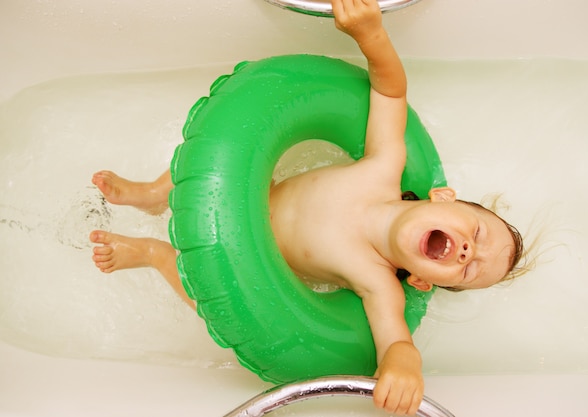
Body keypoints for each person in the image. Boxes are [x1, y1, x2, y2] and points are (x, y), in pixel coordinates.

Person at [89, 0, 524, 415]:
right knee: (219, 161)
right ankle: (151, 194)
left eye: (468, 270)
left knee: (208, 296)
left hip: (244, 264)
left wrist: (406, 364)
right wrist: (370, 34)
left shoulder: (379, 284)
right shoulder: (384, 167)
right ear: (442, 196)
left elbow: (395, 342)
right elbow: (390, 93)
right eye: (478, 233)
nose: (468, 251)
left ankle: (150, 253)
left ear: (422, 282)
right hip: (248, 192)